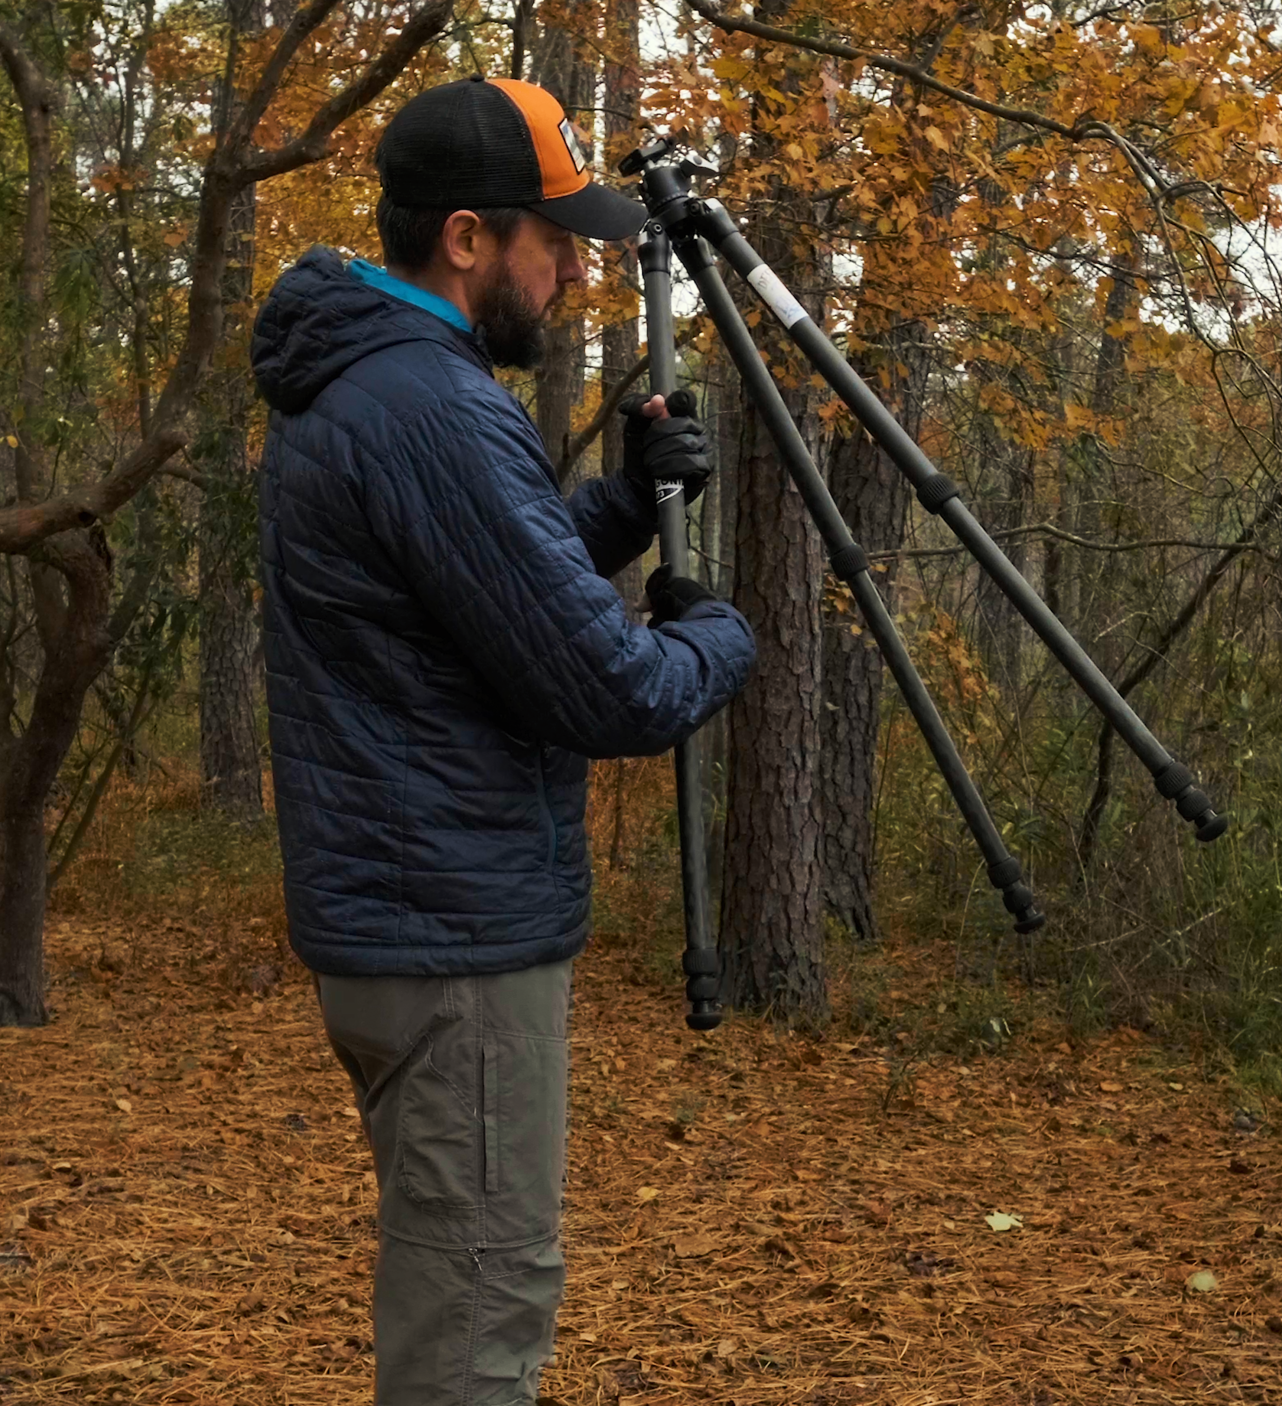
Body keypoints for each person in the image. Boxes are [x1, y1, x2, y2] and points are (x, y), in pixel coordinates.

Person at [249, 75, 757, 1406]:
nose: (575, 271)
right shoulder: (433, 405)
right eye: (555, 239)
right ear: (468, 237)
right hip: (455, 943)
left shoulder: (366, 382)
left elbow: (468, 592)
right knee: (477, 1324)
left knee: (457, 1297)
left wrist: (624, 507)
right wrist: (723, 638)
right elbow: (608, 691)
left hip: (406, 923)